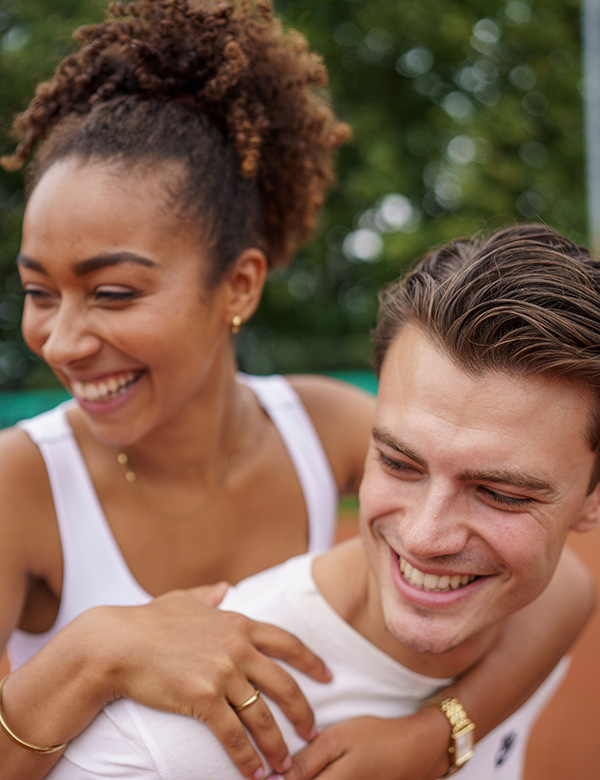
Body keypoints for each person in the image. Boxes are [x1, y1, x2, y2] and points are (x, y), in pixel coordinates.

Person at [0, 1, 593, 778]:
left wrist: (432, 740)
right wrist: (99, 648)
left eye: (113, 294)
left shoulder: (323, 425)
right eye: (38, 292)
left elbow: (561, 582)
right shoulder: (20, 480)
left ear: (239, 284)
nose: (62, 339)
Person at [39, 222, 600, 780]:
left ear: (590, 499)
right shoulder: (167, 743)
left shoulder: (525, 612)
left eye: (500, 494)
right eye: (399, 463)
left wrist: (441, 733)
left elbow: (575, 589)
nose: (426, 538)